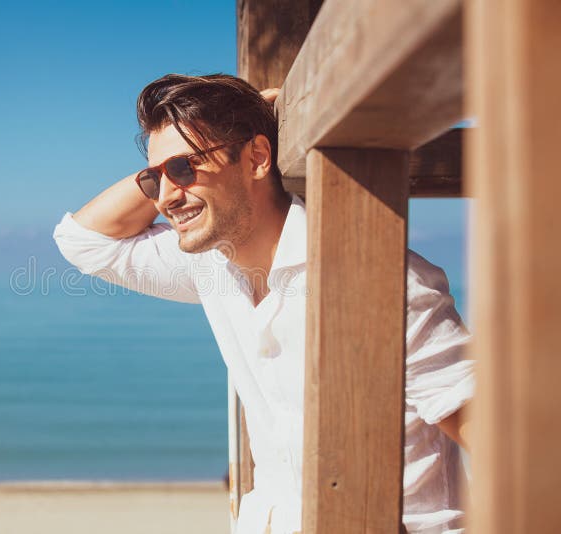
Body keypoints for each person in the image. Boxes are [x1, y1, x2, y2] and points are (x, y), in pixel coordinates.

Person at [53, 73, 474, 534]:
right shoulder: (211, 265)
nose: (166, 198)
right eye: (155, 179)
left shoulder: (386, 281)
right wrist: (166, 171)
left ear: (256, 158)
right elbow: (83, 241)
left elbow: (497, 441)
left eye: (185, 169)